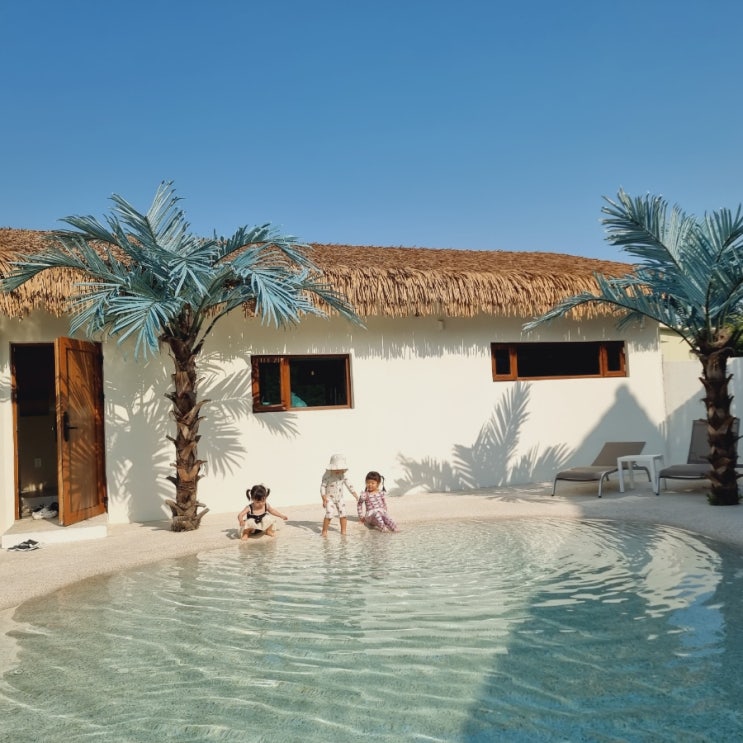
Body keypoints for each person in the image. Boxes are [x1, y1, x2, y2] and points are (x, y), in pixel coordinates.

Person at [320, 453, 358, 537]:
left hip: (340, 498)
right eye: (335, 468)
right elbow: (322, 487)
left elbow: (349, 485)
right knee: (329, 514)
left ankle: (343, 531)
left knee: (343, 514)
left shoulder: (343, 475)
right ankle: (324, 531)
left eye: (340, 468)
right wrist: (323, 498)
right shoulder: (327, 476)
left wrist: (354, 494)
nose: (338, 470)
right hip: (329, 498)